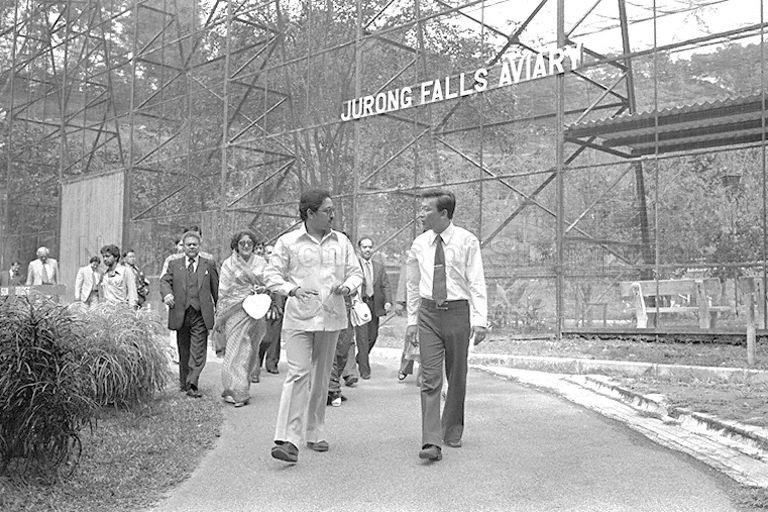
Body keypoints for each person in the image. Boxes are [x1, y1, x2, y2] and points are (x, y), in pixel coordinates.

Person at [264, 189, 363, 464]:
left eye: (333, 210)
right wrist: (290, 289)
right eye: (327, 210)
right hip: (299, 317)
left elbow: (356, 273)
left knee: (321, 377)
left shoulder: (341, 242)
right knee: (298, 373)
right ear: (309, 213)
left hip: (331, 316)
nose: (333, 214)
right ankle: (287, 439)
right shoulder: (288, 242)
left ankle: (315, 432)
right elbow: (270, 275)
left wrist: (348, 286)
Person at [405, 190, 487, 462]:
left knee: (457, 374)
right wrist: (412, 321)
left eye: (426, 209)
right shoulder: (419, 244)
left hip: (457, 312)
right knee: (429, 378)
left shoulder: (467, 241)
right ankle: (431, 440)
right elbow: (413, 285)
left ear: (443, 213)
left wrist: (480, 320)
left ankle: (452, 427)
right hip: (429, 313)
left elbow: (476, 282)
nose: (421, 214)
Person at [160, 231, 219, 398]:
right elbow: (164, 281)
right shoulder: (174, 264)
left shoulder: (208, 264)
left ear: (199, 246)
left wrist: (219, 307)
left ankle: (193, 383)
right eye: (189, 244)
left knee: (198, 350)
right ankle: (184, 381)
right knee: (183, 349)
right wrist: (167, 294)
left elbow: (216, 288)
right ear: (183, 247)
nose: (192, 246)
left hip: (200, 314)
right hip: (181, 313)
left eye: (195, 244)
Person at [214, 231, 268, 407]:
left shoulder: (261, 262)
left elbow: (268, 283)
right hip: (235, 312)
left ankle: (243, 385)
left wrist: (261, 290)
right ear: (236, 245)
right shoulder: (228, 264)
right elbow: (224, 292)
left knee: (252, 349)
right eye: (242, 243)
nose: (246, 245)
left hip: (256, 310)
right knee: (238, 349)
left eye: (249, 242)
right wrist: (222, 314)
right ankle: (238, 390)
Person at [354, 236, 391, 379]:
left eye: (370, 247)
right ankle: (365, 370)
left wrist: (388, 301)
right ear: (359, 249)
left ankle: (360, 357)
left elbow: (385, 284)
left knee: (373, 336)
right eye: (365, 247)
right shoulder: (355, 265)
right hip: (360, 304)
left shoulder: (378, 266)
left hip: (374, 304)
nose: (368, 249)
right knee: (362, 338)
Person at [253, 244, 283, 381]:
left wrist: (278, 305)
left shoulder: (280, 268)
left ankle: (272, 362)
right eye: (268, 252)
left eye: (273, 252)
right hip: (261, 304)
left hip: (277, 303)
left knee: (274, 336)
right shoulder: (259, 267)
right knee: (263, 336)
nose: (271, 255)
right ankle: (256, 362)